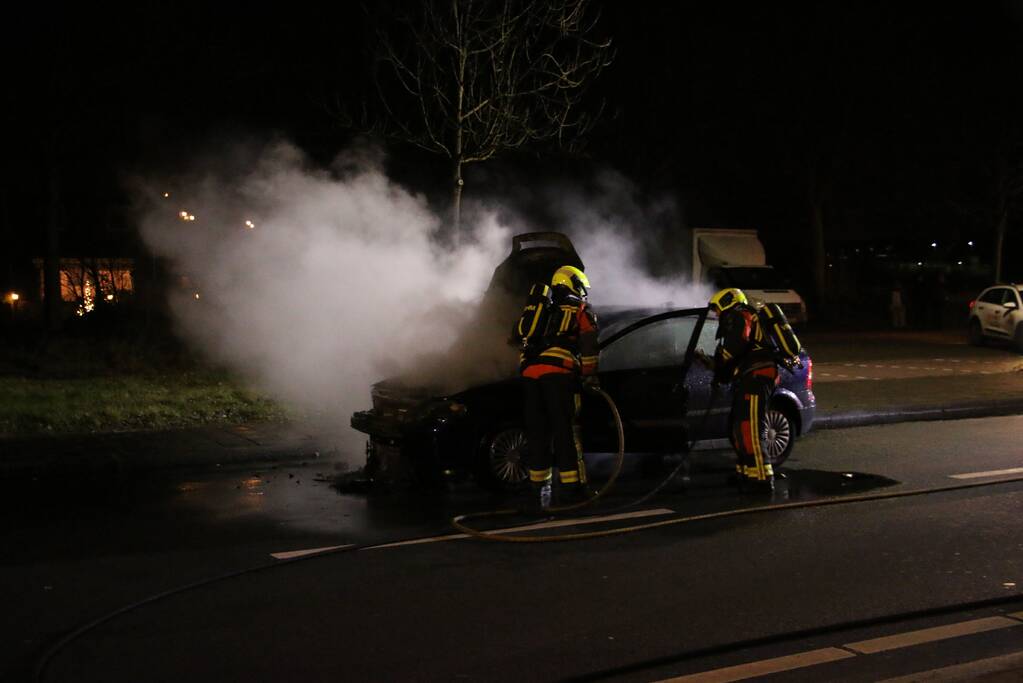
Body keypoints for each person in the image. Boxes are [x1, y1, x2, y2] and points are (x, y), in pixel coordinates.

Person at [516, 265, 599, 512]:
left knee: (538, 434)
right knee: (566, 433)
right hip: (559, 377)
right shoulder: (580, 309)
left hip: (531, 377)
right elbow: (589, 345)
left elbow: (521, 341)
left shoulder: (543, 309)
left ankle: (537, 493)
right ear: (575, 283)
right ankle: (573, 491)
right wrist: (589, 376)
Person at [697, 288, 778, 493]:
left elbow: (736, 346)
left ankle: (761, 479)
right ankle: (746, 474)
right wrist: (712, 364)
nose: (716, 314)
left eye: (717, 309)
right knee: (738, 429)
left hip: (757, 378)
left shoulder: (742, 315)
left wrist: (720, 360)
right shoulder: (740, 317)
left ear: (726, 302)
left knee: (750, 430)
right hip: (748, 378)